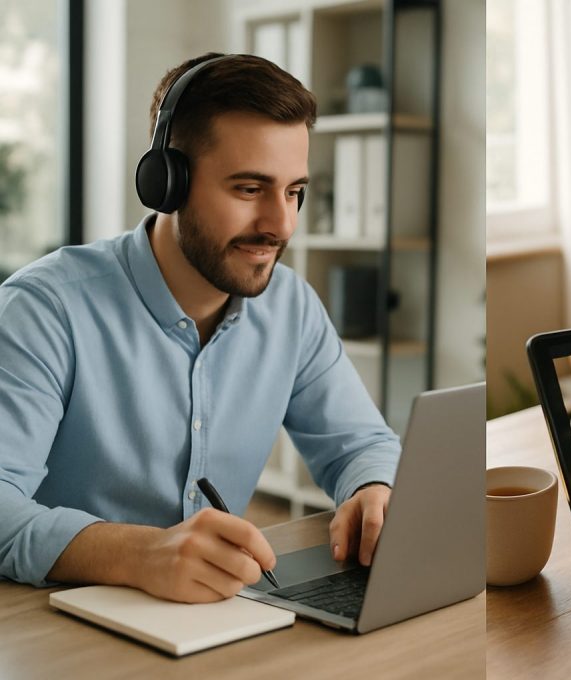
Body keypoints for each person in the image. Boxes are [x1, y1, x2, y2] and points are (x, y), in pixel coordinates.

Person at [0, 53, 401, 604]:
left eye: (293, 192)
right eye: (248, 189)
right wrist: (138, 553)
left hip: (214, 619)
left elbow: (362, 442)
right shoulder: (44, 309)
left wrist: (371, 488)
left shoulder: (291, 308)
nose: (281, 225)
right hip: (53, 627)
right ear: (167, 182)